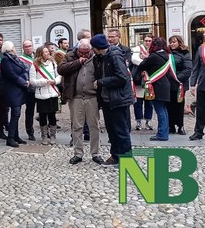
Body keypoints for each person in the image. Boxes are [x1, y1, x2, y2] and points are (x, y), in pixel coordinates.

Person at [58, 39, 104, 164]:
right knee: (77, 126)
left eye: (86, 52)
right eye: (81, 52)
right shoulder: (70, 56)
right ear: (77, 49)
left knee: (94, 126)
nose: (84, 55)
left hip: (92, 97)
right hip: (76, 97)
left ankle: (95, 153)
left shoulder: (96, 57)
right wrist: (77, 62)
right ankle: (78, 153)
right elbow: (61, 69)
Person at [91, 34, 134, 167]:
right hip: (107, 100)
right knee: (112, 130)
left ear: (96, 48)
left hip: (118, 99)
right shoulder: (100, 57)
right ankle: (115, 156)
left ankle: (126, 159)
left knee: (121, 131)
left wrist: (101, 82)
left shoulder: (114, 55)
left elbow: (122, 77)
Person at [137, 37, 172, 141]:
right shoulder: (167, 55)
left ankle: (162, 134)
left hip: (157, 85)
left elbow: (142, 66)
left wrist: (145, 58)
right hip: (164, 84)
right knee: (164, 110)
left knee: (160, 110)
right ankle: (164, 132)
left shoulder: (154, 56)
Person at [29, 46, 61, 145]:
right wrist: (44, 81)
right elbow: (32, 81)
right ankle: (44, 136)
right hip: (42, 94)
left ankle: (52, 136)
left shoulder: (53, 63)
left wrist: (55, 81)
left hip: (52, 92)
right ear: (40, 54)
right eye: (46, 52)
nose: (48, 53)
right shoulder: (34, 65)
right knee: (43, 116)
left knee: (52, 115)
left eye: (48, 51)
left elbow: (59, 75)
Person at [1, 41, 29, 147]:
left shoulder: (15, 58)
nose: (15, 48)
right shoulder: (5, 60)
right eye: (13, 47)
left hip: (18, 89)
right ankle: (10, 138)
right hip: (11, 90)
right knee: (15, 113)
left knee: (17, 114)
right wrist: (23, 82)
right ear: (10, 49)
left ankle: (16, 136)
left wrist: (26, 79)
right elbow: (11, 74)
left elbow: (23, 69)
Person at [167, 35, 192, 135]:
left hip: (180, 83)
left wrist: (177, 78)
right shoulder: (167, 53)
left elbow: (188, 69)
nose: (172, 44)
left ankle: (180, 126)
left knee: (179, 105)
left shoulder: (185, 53)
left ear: (179, 42)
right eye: (171, 42)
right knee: (169, 105)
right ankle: (171, 126)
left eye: (174, 42)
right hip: (168, 83)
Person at [131, 34, 154, 131]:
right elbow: (134, 60)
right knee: (138, 102)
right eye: (146, 40)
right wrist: (146, 60)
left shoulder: (154, 50)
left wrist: (146, 58)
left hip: (150, 80)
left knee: (149, 102)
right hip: (139, 79)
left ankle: (148, 121)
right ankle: (138, 121)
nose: (148, 42)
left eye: (149, 40)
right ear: (143, 41)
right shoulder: (137, 49)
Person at [19, 40, 36, 141]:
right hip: (29, 89)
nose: (28, 48)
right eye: (26, 46)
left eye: (30, 46)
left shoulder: (38, 57)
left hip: (40, 87)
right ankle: (30, 131)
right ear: (23, 48)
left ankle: (45, 131)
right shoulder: (20, 60)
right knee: (30, 111)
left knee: (43, 111)